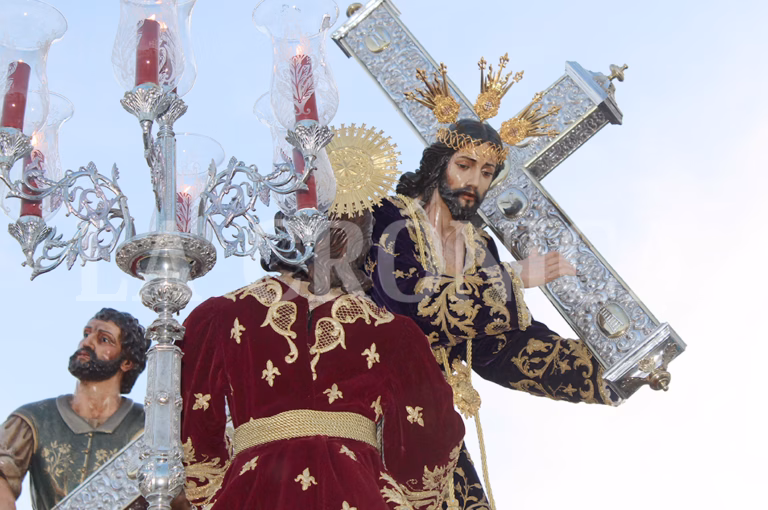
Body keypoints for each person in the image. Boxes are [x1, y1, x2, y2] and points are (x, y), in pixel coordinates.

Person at [366, 119, 617, 509]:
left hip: (431, 414)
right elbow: (409, 306)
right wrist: (513, 277)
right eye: (464, 165)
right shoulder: (387, 217)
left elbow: (501, 350)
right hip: (371, 406)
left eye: (486, 172)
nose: (474, 182)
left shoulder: (478, 247)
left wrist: (605, 373)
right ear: (439, 165)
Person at [179, 211, 465, 509]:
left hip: (255, 489)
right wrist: (394, 487)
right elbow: (431, 439)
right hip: (359, 489)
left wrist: (218, 486)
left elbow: (192, 428)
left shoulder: (218, 316)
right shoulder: (396, 332)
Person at [0, 308, 149, 510]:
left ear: (127, 362)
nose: (86, 343)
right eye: (86, 334)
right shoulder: (33, 420)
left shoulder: (148, 426)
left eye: (103, 339)